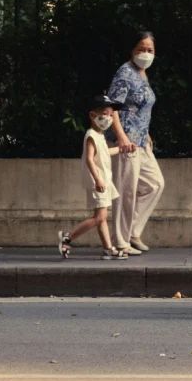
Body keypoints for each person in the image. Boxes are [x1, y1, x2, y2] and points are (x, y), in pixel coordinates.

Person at [106, 31, 165, 256]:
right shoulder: (125, 73)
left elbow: (141, 108)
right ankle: (120, 242)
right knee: (126, 192)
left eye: (150, 50)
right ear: (132, 50)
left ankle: (131, 231)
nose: (146, 54)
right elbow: (112, 107)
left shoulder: (142, 74)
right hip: (126, 141)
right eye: (142, 49)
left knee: (155, 184)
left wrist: (146, 132)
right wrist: (121, 137)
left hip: (141, 140)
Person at [58, 95, 129, 260]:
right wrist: (97, 179)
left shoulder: (99, 135)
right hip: (98, 182)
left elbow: (104, 153)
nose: (109, 118)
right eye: (105, 114)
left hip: (103, 181)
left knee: (102, 218)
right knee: (100, 217)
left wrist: (121, 149)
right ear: (92, 115)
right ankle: (67, 238)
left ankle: (108, 249)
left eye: (111, 115)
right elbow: (89, 159)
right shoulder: (91, 135)